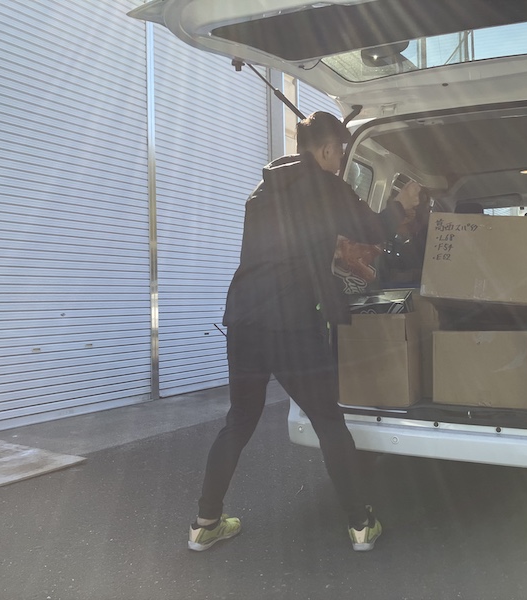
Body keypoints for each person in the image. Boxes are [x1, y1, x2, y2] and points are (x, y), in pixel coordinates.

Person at [189, 111, 421, 552]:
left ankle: (205, 523)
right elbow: (372, 229)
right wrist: (403, 204)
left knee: (239, 420)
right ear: (328, 149)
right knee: (328, 420)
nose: (341, 162)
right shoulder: (327, 186)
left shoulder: (261, 191)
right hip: (290, 322)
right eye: (341, 153)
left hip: (243, 318)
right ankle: (360, 525)